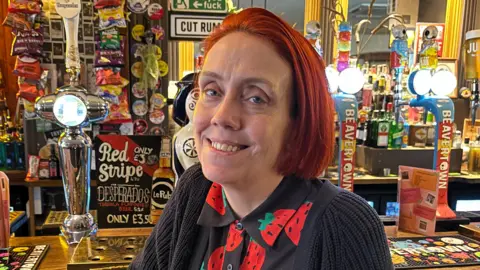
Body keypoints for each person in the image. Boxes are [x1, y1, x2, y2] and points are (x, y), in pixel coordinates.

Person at [130, 8, 393, 270]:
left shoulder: (345, 225)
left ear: (298, 122)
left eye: (256, 98)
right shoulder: (195, 189)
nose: (222, 117)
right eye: (212, 91)